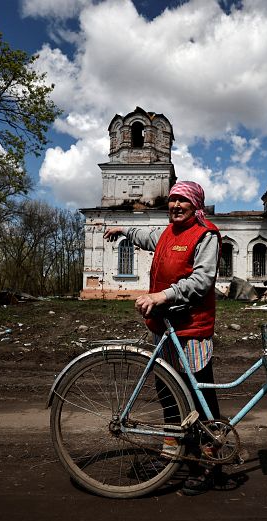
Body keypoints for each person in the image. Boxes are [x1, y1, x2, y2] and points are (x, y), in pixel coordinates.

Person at [104, 180, 222, 495]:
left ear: (195, 204)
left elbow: (202, 280)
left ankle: (210, 460)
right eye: (172, 201)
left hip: (191, 327)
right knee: (168, 392)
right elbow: (147, 236)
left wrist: (161, 296)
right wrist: (124, 232)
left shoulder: (206, 234)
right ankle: (172, 452)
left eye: (182, 201)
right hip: (166, 326)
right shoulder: (169, 232)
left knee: (199, 395)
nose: (175, 206)